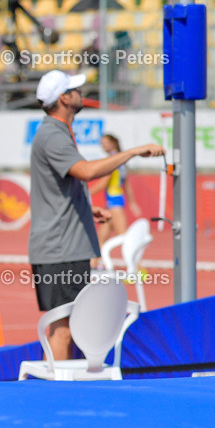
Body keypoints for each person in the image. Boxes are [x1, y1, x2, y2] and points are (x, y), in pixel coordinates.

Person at [28, 70, 164, 362]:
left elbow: (54, 188)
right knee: (64, 329)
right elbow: (87, 172)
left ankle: (49, 388)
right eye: (74, 89)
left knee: (61, 326)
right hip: (60, 250)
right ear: (64, 98)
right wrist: (132, 152)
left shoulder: (55, 132)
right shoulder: (53, 133)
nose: (81, 92)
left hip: (63, 247)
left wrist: (84, 208)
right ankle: (57, 394)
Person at [88, 134, 143, 251]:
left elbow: (104, 183)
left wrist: (85, 193)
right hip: (112, 203)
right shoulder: (121, 159)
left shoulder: (112, 160)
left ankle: (139, 269)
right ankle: (93, 266)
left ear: (113, 143)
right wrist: (132, 202)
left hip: (114, 202)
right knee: (101, 239)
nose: (103, 146)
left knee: (125, 238)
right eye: (102, 144)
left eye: (106, 143)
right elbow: (126, 184)